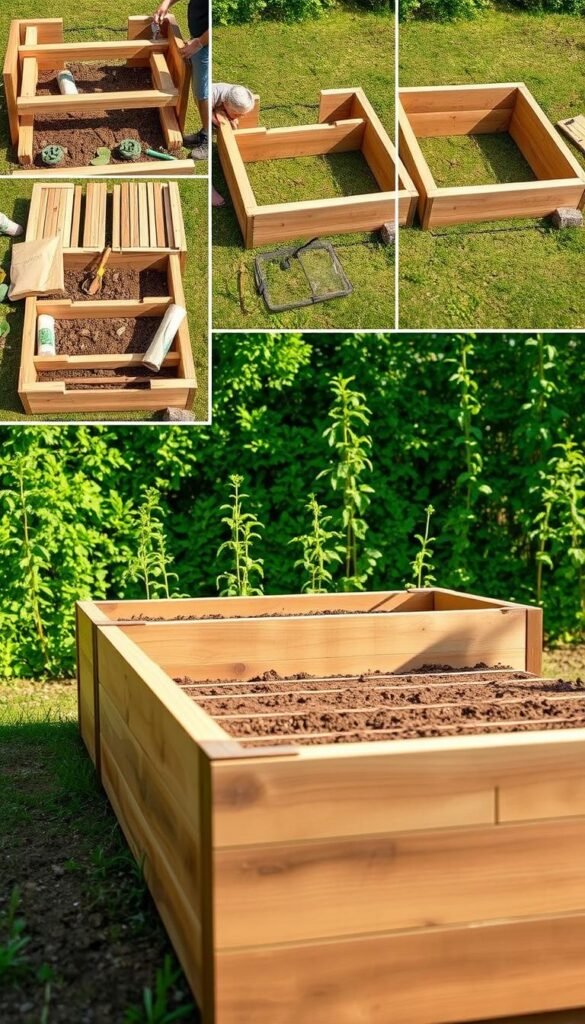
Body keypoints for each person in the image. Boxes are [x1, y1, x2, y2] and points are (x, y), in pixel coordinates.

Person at [152, 0, 209, 160]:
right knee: (199, 90)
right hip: (200, 38)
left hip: (205, 43)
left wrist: (198, 43)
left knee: (202, 92)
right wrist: (166, 4)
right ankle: (204, 132)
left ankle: (207, 138)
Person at [210, 83, 256, 206]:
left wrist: (232, 117)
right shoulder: (210, 96)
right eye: (237, 114)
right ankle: (209, 189)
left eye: (243, 114)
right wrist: (214, 119)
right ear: (225, 103)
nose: (240, 117)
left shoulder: (239, 94)